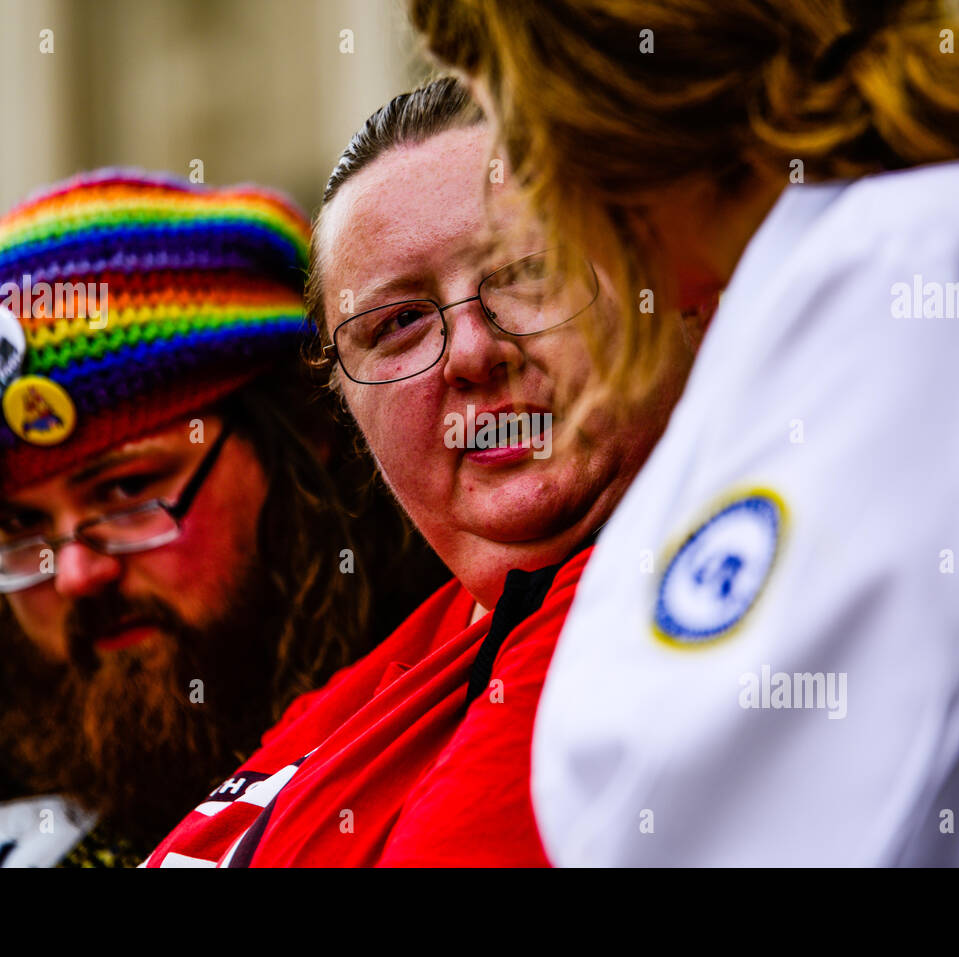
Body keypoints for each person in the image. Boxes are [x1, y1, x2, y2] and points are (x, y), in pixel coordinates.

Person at [410, 0, 959, 865]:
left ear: (586, 124)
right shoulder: (889, 258)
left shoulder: (919, 274)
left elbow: (791, 820)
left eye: (517, 151)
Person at [142, 77, 687, 867]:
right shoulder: (370, 682)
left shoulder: (702, 605)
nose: (472, 352)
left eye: (529, 271)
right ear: (344, 406)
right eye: (396, 323)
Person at [0, 168, 444, 868]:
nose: (75, 572)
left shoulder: (454, 723)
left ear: (302, 438)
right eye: (16, 529)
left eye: (128, 490)